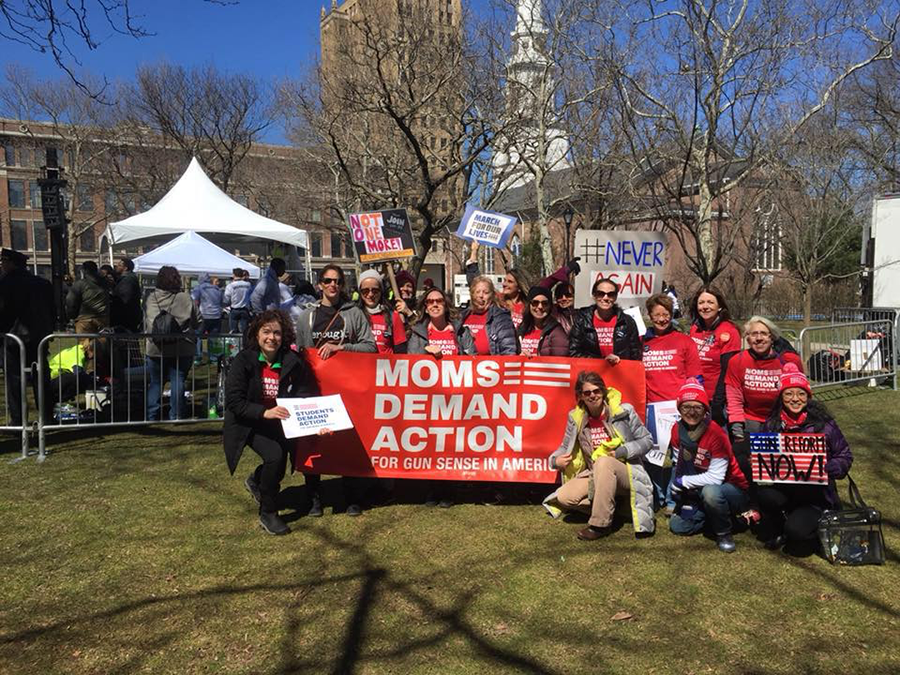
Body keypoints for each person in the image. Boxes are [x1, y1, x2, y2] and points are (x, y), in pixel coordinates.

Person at [223, 309, 326, 535]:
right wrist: (264, 413)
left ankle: (257, 480)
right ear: (257, 335)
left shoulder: (293, 362)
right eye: (266, 332)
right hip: (248, 421)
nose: (272, 338)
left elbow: (306, 394)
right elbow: (234, 401)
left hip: (280, 422)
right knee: (275, 456)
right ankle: (268, 512)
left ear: (284, 336)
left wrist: (318, 421)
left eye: (277, 333)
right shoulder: (244, 360)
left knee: (279, 463)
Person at [295, 264, 376, 516]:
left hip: (345, 390)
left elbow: (370, 347)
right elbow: (301, 351)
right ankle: (314, 497)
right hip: (314, 389)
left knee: (347, 442)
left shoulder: (354, 314)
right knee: (313, 442)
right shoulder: (306, 316)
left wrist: (342, 348)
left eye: (338, 281)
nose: (333, 285)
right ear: (320, 284)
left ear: (343, 285)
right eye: (328, 281)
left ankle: (351, 497)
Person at [544, 371, 655, 539]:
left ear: (603, 391)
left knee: (604, 462)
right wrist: (554, 460)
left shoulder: (623, 411)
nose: (592, 396)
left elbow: (647, 440)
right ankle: (615, 508)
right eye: (587, 393)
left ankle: (600, 525)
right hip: (594, 473)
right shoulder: (576, 418)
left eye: (596, 391)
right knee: (564, 497)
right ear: (580, 396)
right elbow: (564, 447)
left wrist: (622, 451)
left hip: (627, 471)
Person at [757, 364, 852, 555]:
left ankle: (819, 524)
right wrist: (761, 462)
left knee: (797, 535)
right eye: (788, 394)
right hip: (785, 488)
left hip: (816, 496)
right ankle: (780, 525)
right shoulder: (771, 424)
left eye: (800, 393)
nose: (795, 399)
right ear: (781, 398)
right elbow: (765, 459)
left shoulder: (824, 424)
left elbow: (845, 455)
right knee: (763, 495)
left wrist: (826, 467)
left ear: (808, 397)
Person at [668, 378, 749, 553]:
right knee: (678, 526)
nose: (691, 412)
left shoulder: (716, 433)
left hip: (730, 488)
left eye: (697, 407)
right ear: (679, 408)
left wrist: (681, 483)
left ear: (705, 409)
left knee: (711, 492)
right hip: (698, 487)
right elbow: (678, 463)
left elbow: (716, 478)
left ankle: (724, 532)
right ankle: (716, 518)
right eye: (686, 407)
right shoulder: (676, 430)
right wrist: (682, 493)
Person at [0, 248, 55, 425]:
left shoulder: (6, 283)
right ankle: (46, 417)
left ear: (11, 263)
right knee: (41, 378)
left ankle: (18, 419)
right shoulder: (42, 283)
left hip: (14, 337)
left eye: (4, 262)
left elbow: (3, 311)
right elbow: (53, 311)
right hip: (39, 337)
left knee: (15, 379)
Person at [144, 266, 199, 421]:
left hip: (156, 347)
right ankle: (176, 415)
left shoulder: (151, 298)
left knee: (156, 382)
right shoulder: (185, 298)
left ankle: (151, 415)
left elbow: (146, 321)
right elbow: (198, 320)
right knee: (178, 380)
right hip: (182, 346)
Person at [688, 286, 741, 423]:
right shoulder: (694, 329)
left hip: (716, 399)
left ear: (719, 307)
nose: (705, 307)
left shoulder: (729, 331)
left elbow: (728, 370)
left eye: (710, 302)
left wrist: (718, 401)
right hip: (695, 395)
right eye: (701, 303)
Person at [642, 294, 702, 404]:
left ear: (671, 315)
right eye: (656, 315)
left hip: (679, 404)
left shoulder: (685, 341)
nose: (661, 319)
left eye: (665, 315)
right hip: (650, 405)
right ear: (650, 316)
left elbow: (695, 378)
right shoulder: (640, 341)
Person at [568, 277, 641, 363]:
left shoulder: (627, 322)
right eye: (600, 293)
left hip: (619, 372)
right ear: (594, 295)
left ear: (616, 297)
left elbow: (636, 355)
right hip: (590, 373)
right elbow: (573, 352)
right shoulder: (582, 320)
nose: (605, 298)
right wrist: (601, 362)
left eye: (611, 294)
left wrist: (620, 362)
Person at [406, 287, 475, 357]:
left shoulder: (462, 332)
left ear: (446, 307)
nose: (435, 304)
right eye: (430, 302)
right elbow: (412, 361)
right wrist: (427, 353)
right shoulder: (417, 333)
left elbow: (473, 360)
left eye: (439, 301)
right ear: (426, 309)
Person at [459, 275, 518, 356]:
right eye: (477, 292)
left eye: (486, 292)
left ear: (492, 295)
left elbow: (508, 350)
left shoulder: (502, 317)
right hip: (465, 366)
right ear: (471, 294)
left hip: (491, 365)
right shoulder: (460, 317)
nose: (481, 296)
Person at [357, 269, 407, 354]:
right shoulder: (355, 314)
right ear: (360, 292)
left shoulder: (393, 316)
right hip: (361, 365)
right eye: (365, 291)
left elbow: (401, 351)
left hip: (385, 366)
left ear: (381, 291)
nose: (370, 294)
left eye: (375, 291)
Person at [517, 286, 568, 357]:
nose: (540, 307)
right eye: (535, 303)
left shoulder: (556, 331)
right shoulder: (521, 328)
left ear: (550, 306)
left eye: (545, 303)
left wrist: (538, 358)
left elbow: (561, 361)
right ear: (529, 305)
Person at [65, 261, 110, 333]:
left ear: (84, 270)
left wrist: (71, 316)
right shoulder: (105, 283)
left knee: (84, 343)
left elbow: (70, 301)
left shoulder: (80, 284)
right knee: (101, 342)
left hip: (85, 319)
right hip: (102, 319)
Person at [192, 272, 224, 363]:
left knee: (198, 336)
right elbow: (222, 301)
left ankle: (198, 357)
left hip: (204, 315)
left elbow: (194, 300)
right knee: (213, 337)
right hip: (216, 315)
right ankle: (213, 358)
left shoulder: (199, 288)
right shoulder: (217, 288)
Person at [111, 257, 142, 332]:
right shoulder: (124, 279)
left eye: (119, 265)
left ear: (125, 268)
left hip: (126, 318)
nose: (117, 267)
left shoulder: (128, 280)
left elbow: (125, 299)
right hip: (126, 317)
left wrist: (113, 299)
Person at [223, 268, 253, 336]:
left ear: (234, 275)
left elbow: (226, 299)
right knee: (244, 330)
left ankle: (234, 345)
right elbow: (251, 296)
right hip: (245, 309)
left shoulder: (230, 285)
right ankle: (244, 344)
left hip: (234, 309)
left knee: (233, 331)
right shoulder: (248, 285)